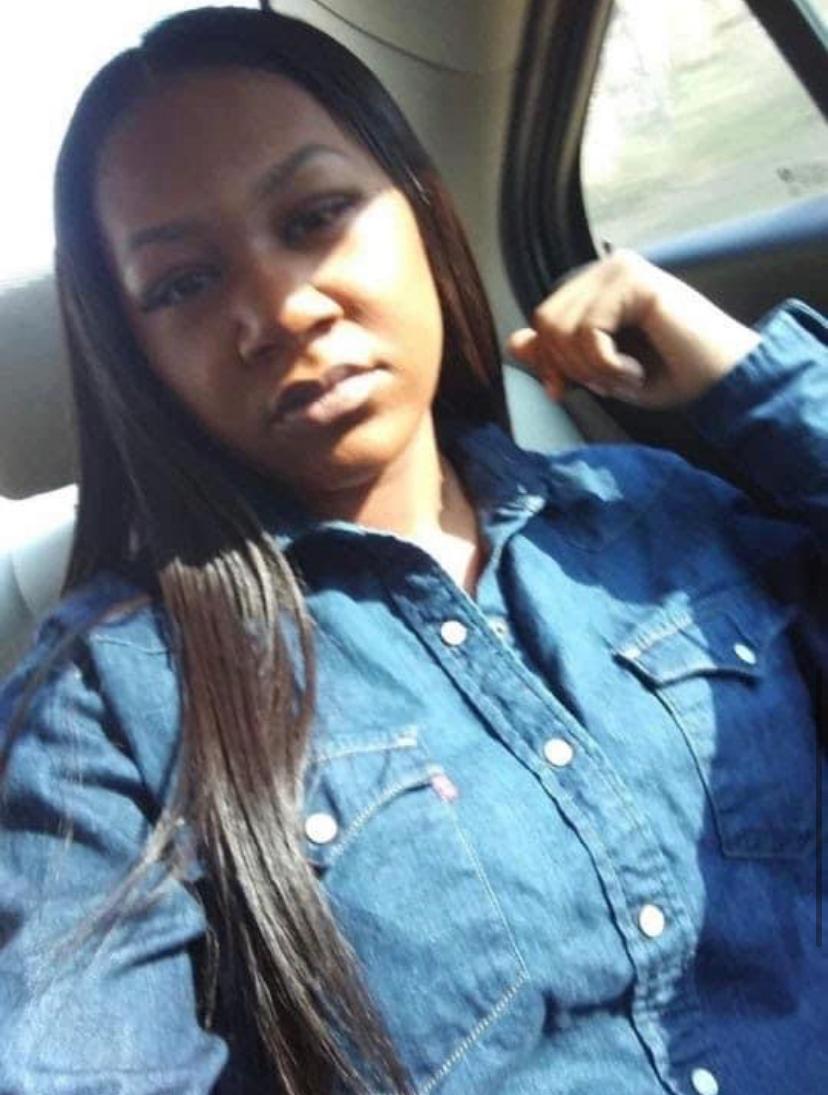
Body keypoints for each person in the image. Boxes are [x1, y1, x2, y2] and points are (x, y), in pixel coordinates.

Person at [0, 6, 825, 1094]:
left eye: (316, 216)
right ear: (136, 356)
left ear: (424, 213)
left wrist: (747, 373)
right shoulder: (104, 705)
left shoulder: (655, 513)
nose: (282, 308)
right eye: (185, 284)